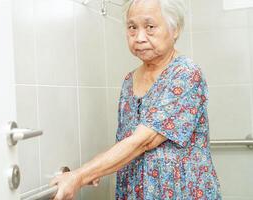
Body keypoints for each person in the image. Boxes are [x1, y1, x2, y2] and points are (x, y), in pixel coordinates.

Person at [50, 0, 222, 199]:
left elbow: (145, 141)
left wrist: (82, 175)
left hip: (180, 192)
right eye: (132, 27)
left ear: (175, 29)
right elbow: (128, 141)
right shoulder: (129, 80)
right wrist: (95, 167)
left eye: (150, 27)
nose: (139, 37)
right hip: (134, 190)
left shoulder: (186, 73)